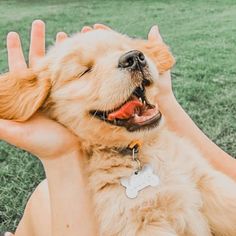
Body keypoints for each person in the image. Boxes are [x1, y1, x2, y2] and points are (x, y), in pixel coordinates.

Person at [0, 20, 235, 236]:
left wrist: (165, 100)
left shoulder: (173, 149)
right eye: (84, 70)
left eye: (126, 50)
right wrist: (62, 156)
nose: (133, 59)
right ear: (47, 102)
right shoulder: (75, 197)